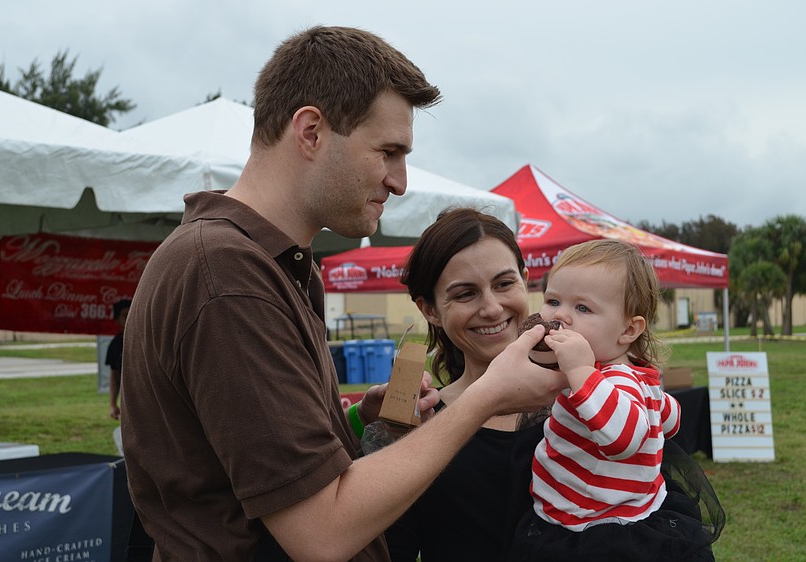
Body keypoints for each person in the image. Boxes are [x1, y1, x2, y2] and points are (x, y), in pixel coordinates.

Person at [121, 26, 565, 561]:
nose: (400, 181)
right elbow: (321, 534)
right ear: (310, 132)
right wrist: (484, 397)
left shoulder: (266, 264)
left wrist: (355, 422)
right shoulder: (226, 274)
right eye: (388, 152)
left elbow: (247, 460)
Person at [509, 239, 714, 561]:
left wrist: (579, 370)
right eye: (552, 300)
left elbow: (624, 440)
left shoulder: (608, 379)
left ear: (628, 330)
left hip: (595, 528)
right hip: (580, 507)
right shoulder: (626, 375)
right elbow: (671, 418)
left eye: (582, 308)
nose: (560, 316)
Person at [383, 207, 550, 562]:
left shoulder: (589, 400)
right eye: (465, 294)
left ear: (525, 278)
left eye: (504, 284)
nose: (491, 308)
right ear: (429, 310)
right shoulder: (421, 423)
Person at [106, 298, 131, 420]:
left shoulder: (146, 339)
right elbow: (114, 375)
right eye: (125, 315)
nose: (129, 318)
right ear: (117, 320)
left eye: (131, 314)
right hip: (129, 402)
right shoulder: (115, 345)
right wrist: (112, 404)